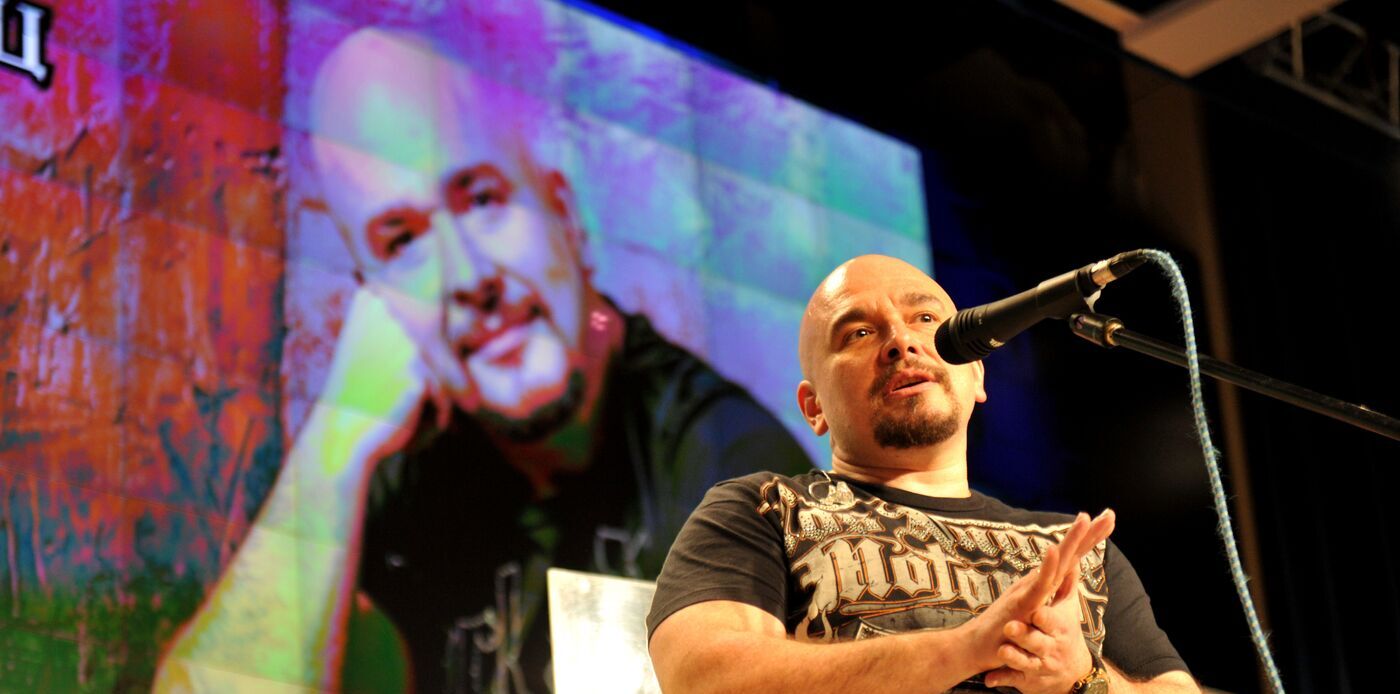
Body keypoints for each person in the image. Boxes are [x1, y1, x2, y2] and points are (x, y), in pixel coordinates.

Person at [153, 28, 810, 694]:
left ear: (564, 214)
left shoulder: (727, 468)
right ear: (374, 301)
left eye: (483, 199)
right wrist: (331, 455)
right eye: (402, 242)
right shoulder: (400, 471)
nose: (467, 276)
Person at [647, 255, 1200, 693]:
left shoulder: (1078, 548)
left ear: (976, 373)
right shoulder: (763, 508)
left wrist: (1086, 676)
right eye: (858, 333)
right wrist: (964, 649)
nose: (902, 341)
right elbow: (701, 674)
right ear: (814, 408)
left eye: (927, 319)